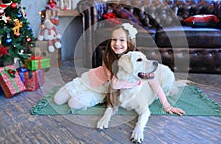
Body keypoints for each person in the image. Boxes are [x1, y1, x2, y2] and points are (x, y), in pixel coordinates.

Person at [53, 22, 185, 115]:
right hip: (89, 79)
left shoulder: (137, 58)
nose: (117, 44)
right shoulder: (108, 57)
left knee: (73, 104)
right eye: (113, 39)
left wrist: (166, 105)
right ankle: (75, 89)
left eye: (122, 40)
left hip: (102, 89)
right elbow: (116, 83)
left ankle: (87, 98)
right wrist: (138, 81)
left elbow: (153, 81)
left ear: (129, 41)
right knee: (58, 99)